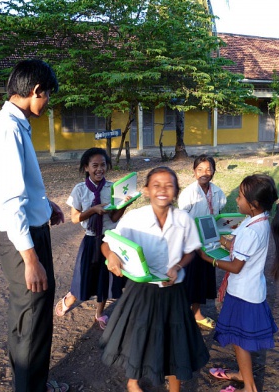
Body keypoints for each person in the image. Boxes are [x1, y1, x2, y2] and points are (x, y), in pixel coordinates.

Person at [0, 60, 68, 392]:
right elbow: (9, 199)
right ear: (36, 91)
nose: (48, 104)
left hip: (30, 233)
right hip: (24, 242)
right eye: (47, 96)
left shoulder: (14, 124)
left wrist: (46, 205)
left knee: (33, 314)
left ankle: (34, 383)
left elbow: (23, 188)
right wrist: (31, 260)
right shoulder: (6, 128)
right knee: (31, 318)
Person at [99, 166, 209, 392]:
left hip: (174, 291)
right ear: (146, 190)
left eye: (169, 186)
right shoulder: (134, 218)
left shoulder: (183, 219)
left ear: (176, 191)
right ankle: (133, 381)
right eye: (156, 185)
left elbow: (191, 250)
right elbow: (108, 242)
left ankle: (174, 388)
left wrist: (178, 265)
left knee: (174, 340)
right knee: (138, 335)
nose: (162, 190)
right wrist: (111, 256)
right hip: (141, 289)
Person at [199, 174, 279, 392]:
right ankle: (243, 375)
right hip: (251, 289)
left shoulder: (252, 230)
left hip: (243, 294)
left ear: (253, 205)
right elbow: (239, 246)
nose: (237, 200)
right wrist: (223, 241)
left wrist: (210, 258)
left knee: (241, 341)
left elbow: (235, 267)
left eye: (241, 197)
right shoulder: (259, 221)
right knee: (241, 339)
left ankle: (249, 387)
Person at [55, 147, 128, 329]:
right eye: (95, 165)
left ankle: (99, 313)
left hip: (110, 241)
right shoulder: (79, 190)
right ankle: (69, 298)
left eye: (103, 165)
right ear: (86, 167)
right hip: (90, 240)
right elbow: (74, 218)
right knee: (83, 277)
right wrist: (93, 210)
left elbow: (113, 218)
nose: (99, 169)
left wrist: (125, 204)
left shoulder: (113, 188)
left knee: (105, 279)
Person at [178, 154, 226, 329]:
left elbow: (218, 217)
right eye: (200, 169)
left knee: (202, 280)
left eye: (208, 169)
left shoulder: (218, 192)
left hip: (209, 244)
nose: (204, 173)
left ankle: (197, 314)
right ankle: (182, 316)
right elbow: (182, 221)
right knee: (187, 280)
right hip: (191, 245)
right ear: (193, 172)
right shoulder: (188, 194)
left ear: (214, 171)